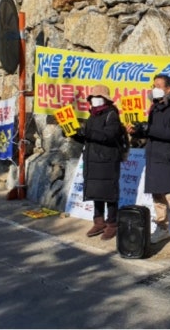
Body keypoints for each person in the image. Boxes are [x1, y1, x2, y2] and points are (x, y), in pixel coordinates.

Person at [127, 74, 170, 252]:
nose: (155, 88)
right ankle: (162, 228)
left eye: (159, 86)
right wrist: (138, 130)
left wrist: (149, 129)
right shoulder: (155, 107)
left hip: (168, 157)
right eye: (153, 85)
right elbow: (151, 132)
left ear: (169, 88)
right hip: (154, 156)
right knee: (157, 196)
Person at [71, 84, 126, 241]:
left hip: (108, 159)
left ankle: (112, 223)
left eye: (98, 97)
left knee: (110, 193)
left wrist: (87, 132)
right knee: (96, 191)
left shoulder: (112, 115)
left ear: (105, 100)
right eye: (92, 98)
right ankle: (99, 221)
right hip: (93, 158)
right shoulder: (92, 115)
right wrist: (74, 133)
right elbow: (88, 137)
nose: (94, 100)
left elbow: (108, 136)